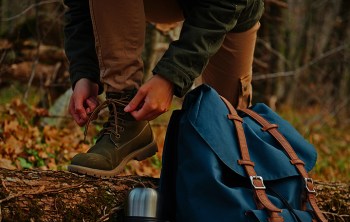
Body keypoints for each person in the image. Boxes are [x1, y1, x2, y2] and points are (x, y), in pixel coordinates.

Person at [63, 0, 264, 177]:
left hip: (228, 7)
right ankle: (125, 114)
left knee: (231, 133)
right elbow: (80, 6)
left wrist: (170, 77)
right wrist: (84, 73)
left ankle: (224, 189)